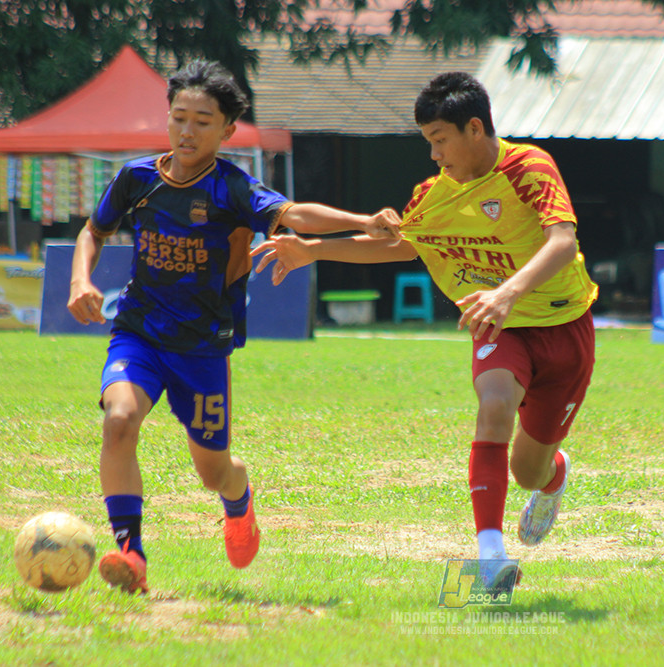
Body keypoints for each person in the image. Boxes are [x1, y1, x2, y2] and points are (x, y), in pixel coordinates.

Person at [251, 71, 598, 590]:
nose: (434, 154)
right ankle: (490, 554)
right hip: (496, 324)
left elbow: (563, 242)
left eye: (439, 140)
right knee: (494, 405)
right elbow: (398, 245)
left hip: (563, 327)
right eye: (428, 143)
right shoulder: (431, 196)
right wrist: (314, 249)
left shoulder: (528, 166)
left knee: (529, 471)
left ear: (474, 128)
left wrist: (507, 292)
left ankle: (554, 473)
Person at [67, 59, 401, 595]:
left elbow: (295, 214)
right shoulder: (137, 178)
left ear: (226, 131)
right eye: (179, 117)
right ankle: (131, 552)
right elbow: (93, 231)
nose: (187, 130)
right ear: (167, 118)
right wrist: (80, 280)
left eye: (203, 121)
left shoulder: (233, 189)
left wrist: (363, 222)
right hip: (139, 332)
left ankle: (238, 498)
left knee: (214, 471)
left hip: (202, 350)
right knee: (119, 419)